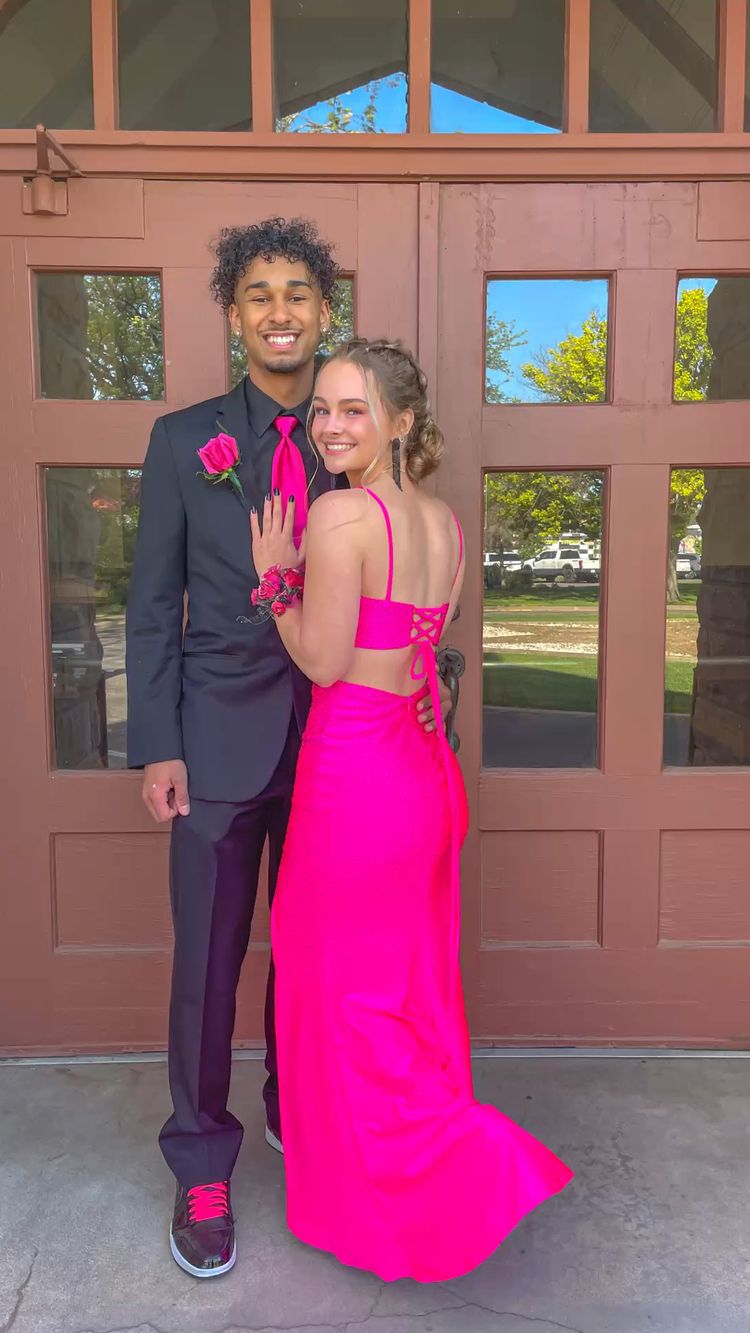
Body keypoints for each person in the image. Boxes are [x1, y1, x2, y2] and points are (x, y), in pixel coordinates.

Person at [126, 218, 446, 1279]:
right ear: (233, 314)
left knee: (314, 954)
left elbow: (405, 603)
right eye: (258, 293)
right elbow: (150, 601)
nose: (278, 310)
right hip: (215, 744)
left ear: (323, 311)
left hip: (339, 755)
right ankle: (202, 1160)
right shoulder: (184, 442)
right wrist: (157, 744)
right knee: (209, 966)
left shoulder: (350, 432)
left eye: (297, 293)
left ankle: (291, 1109)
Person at [250, 337, 573, 1283]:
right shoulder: (447, 525)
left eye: (354, 409)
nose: (332, 426)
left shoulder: (340, 514)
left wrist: (275, 575)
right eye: (322, 411)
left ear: (399, 422)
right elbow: (424, 657)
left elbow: (321, 658)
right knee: (396, 982)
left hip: (355, 777)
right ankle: (386, 1175)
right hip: (424, 776)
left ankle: (450, 1167)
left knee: (337, 985)